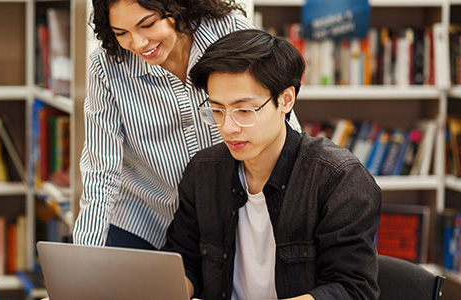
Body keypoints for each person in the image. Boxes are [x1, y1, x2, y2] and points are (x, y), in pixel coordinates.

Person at [161, 29, 381, 300]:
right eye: (217, 110)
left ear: (285, 100)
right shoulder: (204, 171)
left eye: (244, 110)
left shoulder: (338, 178)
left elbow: (352, 290)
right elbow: (185, 263)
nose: (228, 127)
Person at [73, 0, 302, 250]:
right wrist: (84, 257)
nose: (138, 44)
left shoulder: (228, 30)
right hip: (144, 217)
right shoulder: (106, 68)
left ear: (177, 8)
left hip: (228, 214)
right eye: (121, 33)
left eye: (147, 24)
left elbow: (279, 121)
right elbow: (101, 170)